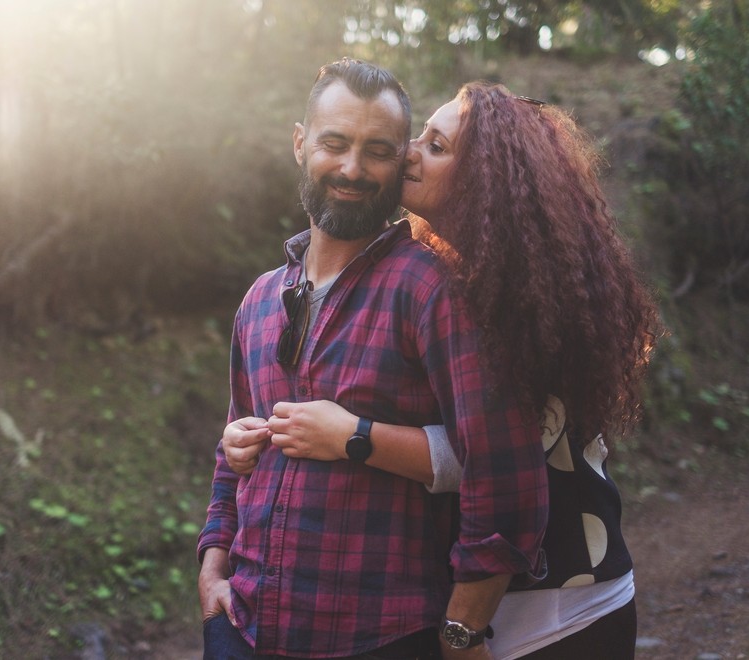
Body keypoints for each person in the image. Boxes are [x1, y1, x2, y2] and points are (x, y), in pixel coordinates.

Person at [223, 82, 659, 659]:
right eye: (418, 138)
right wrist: (261, 440)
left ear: (484, 178)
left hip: (559, 601)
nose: (408, 154)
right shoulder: (458, 273)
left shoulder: (520, 300)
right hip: (475, 599)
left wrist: (351, 436)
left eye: (435, 146)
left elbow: (500, 460)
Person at [198, 61, 549, 660]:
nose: (353, 169)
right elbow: (231, 459)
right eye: (334, 144)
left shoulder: (433, 291)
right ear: (300, 143)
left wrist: (461, 634)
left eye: (378, 151)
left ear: (400, 161)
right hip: (243, 628)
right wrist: (211, 570)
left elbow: (504, 477)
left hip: (379, 636)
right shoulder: (258, 301)